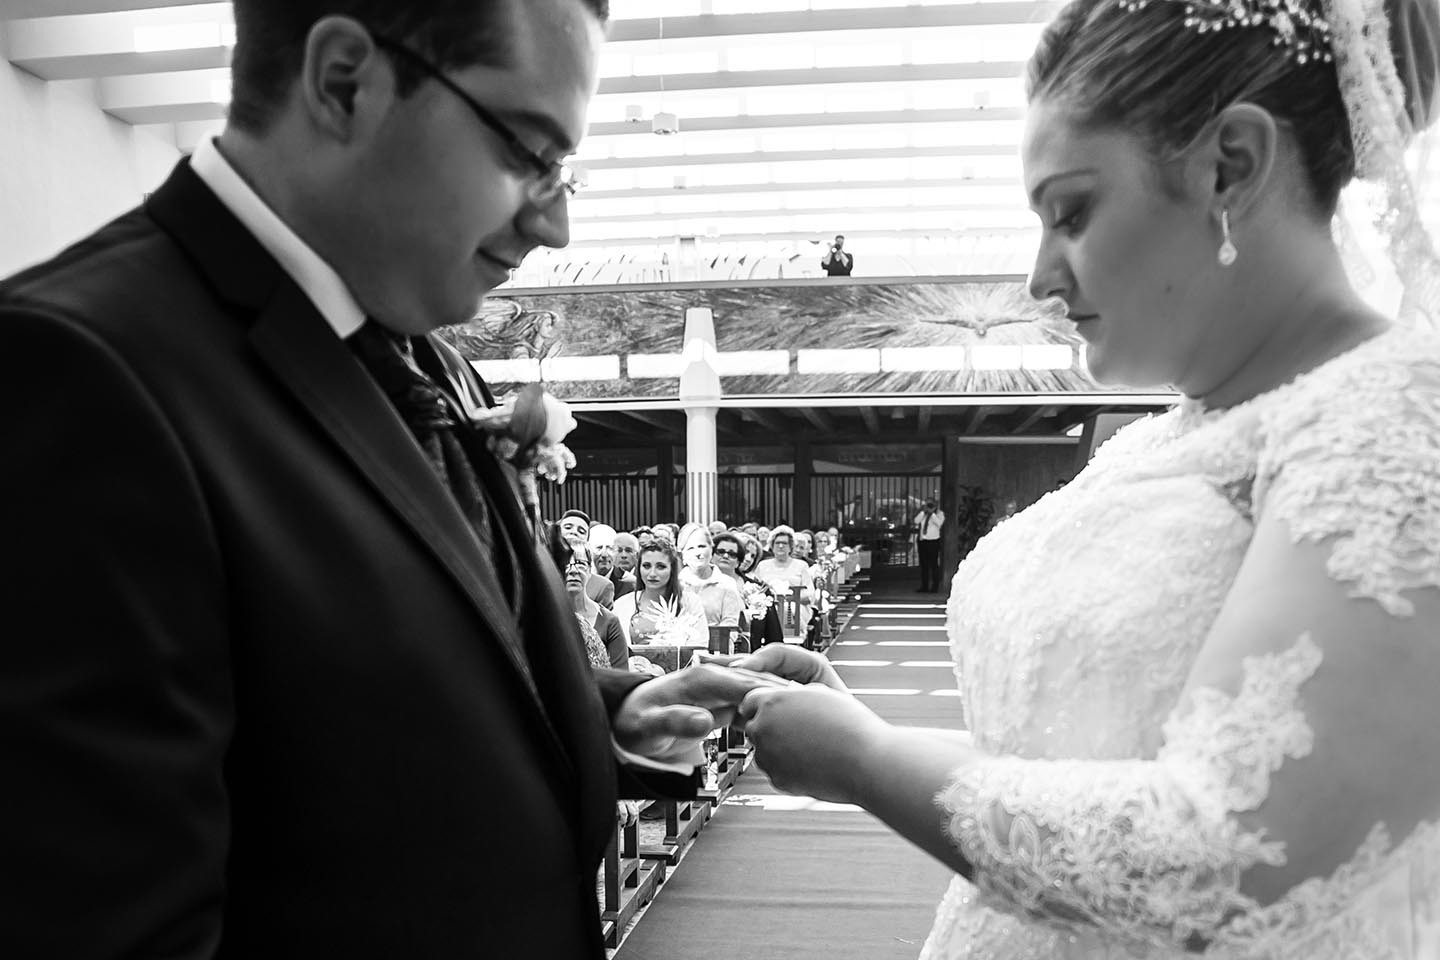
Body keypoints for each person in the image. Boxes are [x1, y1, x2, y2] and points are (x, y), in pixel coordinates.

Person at [0, 2, 777, 956]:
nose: (556, 222)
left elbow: (375, 704)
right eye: (528, 152)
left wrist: (608, 716)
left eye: (563, 169)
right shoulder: (77, 375)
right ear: (344, 83)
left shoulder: (431, 359)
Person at [735, 0, 1440, 956]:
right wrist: (857, 727)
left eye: (1070, 212)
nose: (1038, 277)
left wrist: (866, 761)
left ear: (1230, 165)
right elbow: (1074, 765)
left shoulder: (1396, 424)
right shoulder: (1159, 441)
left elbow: (1220, 855)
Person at [612, 540, 708, 648]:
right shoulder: (621, 604)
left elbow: (699, 646)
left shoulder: (691, 602)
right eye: (646, 566)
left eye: (660, 567)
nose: (652, 573)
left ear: (672, 569)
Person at [564, 541, 627, 669]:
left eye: (580, 564)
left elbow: (621, 674)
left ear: (590, 570)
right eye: (565, 564)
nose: (573, 570)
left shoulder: (609, 621)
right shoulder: (544, 618)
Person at [718, 531, 785, 648]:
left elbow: (774, 637)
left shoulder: (760, 589)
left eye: (753, 556)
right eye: (746, 552)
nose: (749, 559)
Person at [676, 522, 743, 629]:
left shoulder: (727, 583)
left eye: (702, 546)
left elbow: (730, 624)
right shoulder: (675, 583)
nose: (698, 553)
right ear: (682, 555)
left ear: (711, 549)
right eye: (690, 548)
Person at [753, 526, 813, 638]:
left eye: (784, 543)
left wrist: (788, 598)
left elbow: (809, 594)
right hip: (769, 606)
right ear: (772, 546)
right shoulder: (762, 565)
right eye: (777, 543)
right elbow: (755, 591)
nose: (780, 546)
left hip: (795, 607)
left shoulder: (801, 566)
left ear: (791, 547)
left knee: (788, 610)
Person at [589, 523, 636, 602]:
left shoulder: (628, 582)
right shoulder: (582, 580)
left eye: (609, 548)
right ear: (589, 551)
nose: (604, 555)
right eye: (599, 548)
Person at [912, 497, 945, 593]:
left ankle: (935, 587)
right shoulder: (923, 514)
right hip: (923, 541)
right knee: (924, 565)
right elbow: (916, 521)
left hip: (933, 542)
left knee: (934, 565)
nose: (929, 506)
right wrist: (923, 512)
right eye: (927, 504)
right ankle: (924, 586)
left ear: (935, 505)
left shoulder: (939, 514)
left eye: (931, 504)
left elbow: (939, 523)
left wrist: (932, 513)